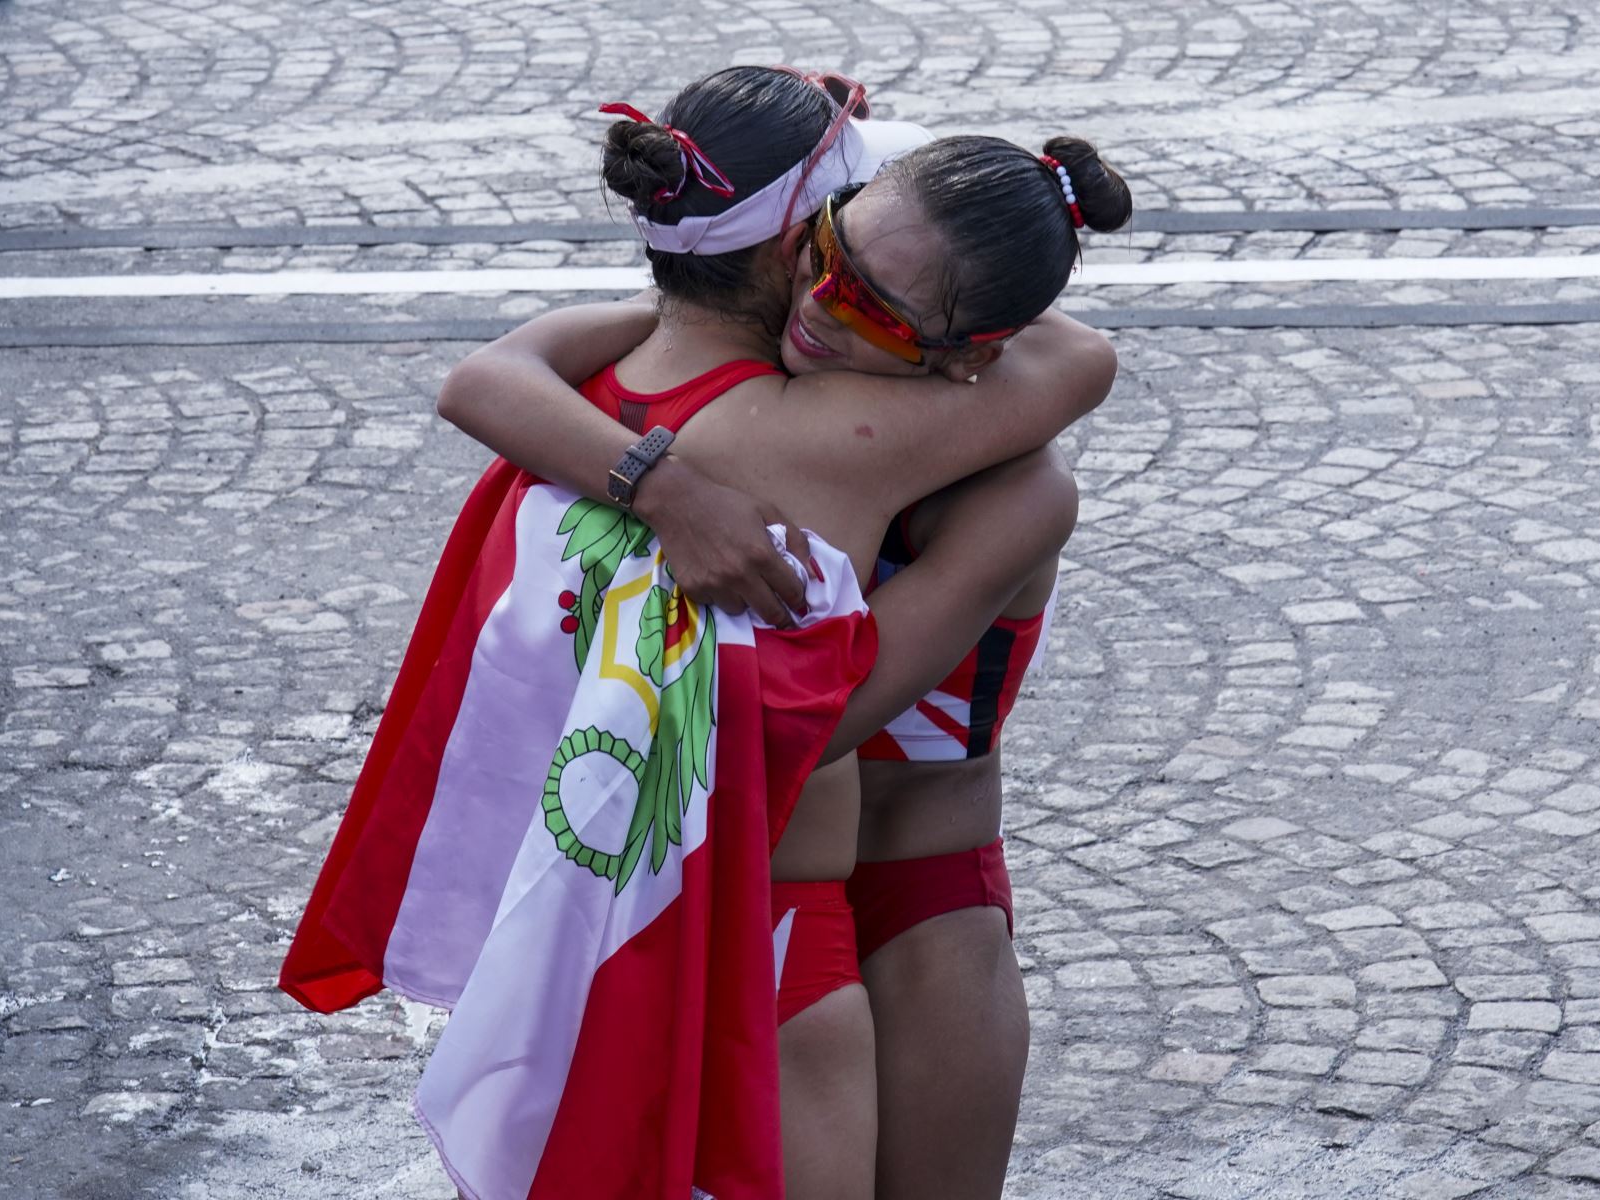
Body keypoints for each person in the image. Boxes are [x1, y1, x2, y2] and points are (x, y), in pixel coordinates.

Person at [437, 75, 1129, 1200]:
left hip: (918, 903)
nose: (816, 306)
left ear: (972, 354)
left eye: (867, 308)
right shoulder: (798, 403)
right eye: (823, 257)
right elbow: (488, 382)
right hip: (783, 896)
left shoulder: (997, 479)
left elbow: (819, 713)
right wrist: (661, 490)